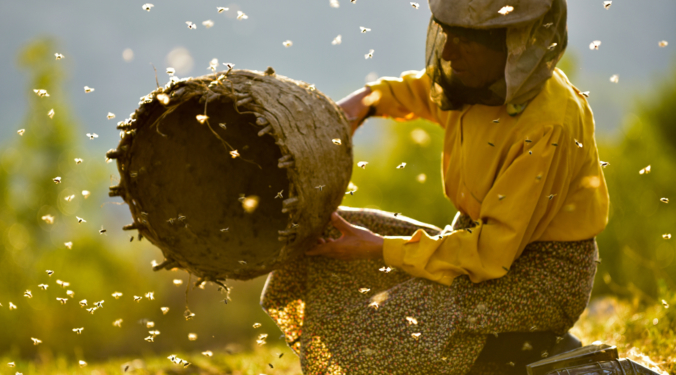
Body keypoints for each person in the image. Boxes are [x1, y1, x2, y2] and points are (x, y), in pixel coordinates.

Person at [261, 0, 609, 373]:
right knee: (322, 237)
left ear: (514, 41)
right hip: (474, 252)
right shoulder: (481, 80)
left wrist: (377, 249)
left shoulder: (548, 125)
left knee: (377, 329)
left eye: (466, 41)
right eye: (448, 35)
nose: (448, 52)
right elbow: (423, 91)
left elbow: (491, 254)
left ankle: (530, 349)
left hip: (539, 279)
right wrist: (364, 103)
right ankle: (513, 351)